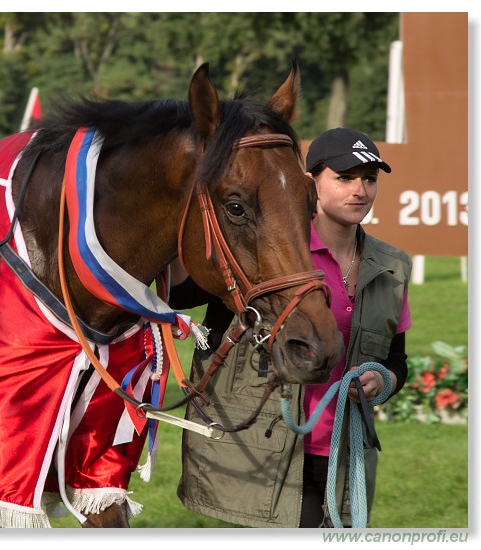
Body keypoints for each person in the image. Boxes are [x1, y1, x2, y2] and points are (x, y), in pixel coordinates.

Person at [170, 127, 412, 528]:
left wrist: (382, 380)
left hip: (344, 458)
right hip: (269, 459)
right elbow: (178, 293)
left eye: (369, 179)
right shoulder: (257, 249)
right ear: (309, 183)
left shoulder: (392, 266)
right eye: (345, 177)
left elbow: (396, 361)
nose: (360, 190)